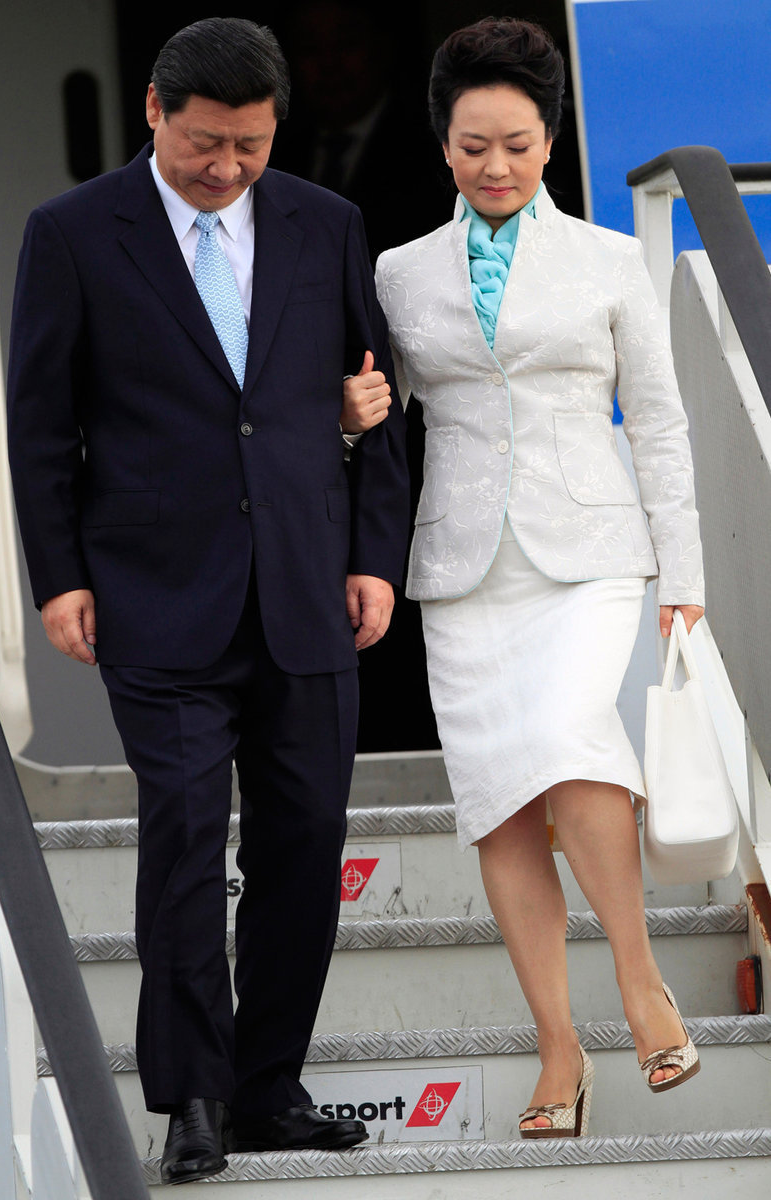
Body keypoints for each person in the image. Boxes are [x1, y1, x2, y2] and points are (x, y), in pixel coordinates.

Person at [7, 17, 408, 1184]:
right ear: (152, 113)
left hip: (303, 590)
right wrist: (60, 575)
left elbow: (370, 398)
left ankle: (268, 1087)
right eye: (204, 146)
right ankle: (191, 1096)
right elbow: (40, 426)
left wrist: (372, 553)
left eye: (250, 144)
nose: (226, 168)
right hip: (152, 595)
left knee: (305, 842)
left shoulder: (325, 225)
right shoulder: (73, 233)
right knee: (184, 838)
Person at [344, 17, 704, 1139]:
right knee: (499, 804)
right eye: (470, 147)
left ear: (548, 137)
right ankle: (559, 1045)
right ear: (441, 145)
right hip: (459, 569)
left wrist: (682, 575)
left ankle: (639, 979)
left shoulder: (605, 259)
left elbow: (656, 422)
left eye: (515, 143)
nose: (493, 167)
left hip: (590, 554)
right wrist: (350, 419)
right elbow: (377, 412)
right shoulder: (398, 273)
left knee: (567, 730)